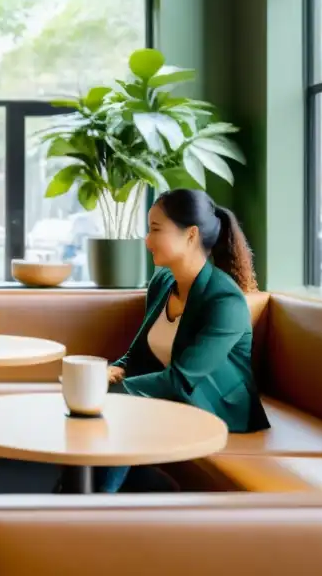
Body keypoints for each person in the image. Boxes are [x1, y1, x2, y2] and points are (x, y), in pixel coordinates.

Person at [97, 188, 270, 493]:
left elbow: (181, 379)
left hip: (213, 405)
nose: (147, 240)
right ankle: (87, 497)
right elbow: (136, 355)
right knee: (89, 406)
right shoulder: (163, 282)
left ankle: (87, 510)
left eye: (155, 229)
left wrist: (115, 392)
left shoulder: (224, 300)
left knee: (117, 410)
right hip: (173, 395)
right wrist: (111, 371)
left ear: (190, 235)